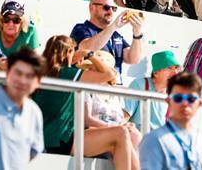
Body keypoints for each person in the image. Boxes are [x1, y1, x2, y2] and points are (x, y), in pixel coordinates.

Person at [33, 35, 136, 169]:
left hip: (48, 138)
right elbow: (110, 74)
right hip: (61, 140)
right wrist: (88, 54)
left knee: (120, 138)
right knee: (121, 133)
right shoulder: (67, 73)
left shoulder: (40, 74)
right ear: (69, 52)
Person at [139, 72, 202, 170]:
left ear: (199, 103)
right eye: (178, 98)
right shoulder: (154, 140)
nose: (185, 103)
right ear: (168, 101)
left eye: (191, 99)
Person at [0, 47, 45, 169]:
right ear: (7, 73)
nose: (22, 80)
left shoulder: (34, 112)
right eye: (18, 73)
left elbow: (33, 151)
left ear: (38, 82)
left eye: (29, 76)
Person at [70, 0, 144, 82]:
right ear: (92, 8)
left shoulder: (115, 34)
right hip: (90, 85)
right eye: (106, 7)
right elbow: (87, 48)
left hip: (112, 86)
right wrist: (114, 26)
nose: (111, 12)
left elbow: (133, 59)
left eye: (113, 8)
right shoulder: (81, 28)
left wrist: (137, 33)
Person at [125, 50, 181, 132]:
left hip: (159, 135)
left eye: (176, 68)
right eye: (169, 68)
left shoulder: (173, 94)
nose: (175, 73)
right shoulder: (139, 85)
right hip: (139, 135)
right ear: (155, 72)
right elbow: (125, 115)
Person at [0, 0, 40, 70]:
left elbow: (36, 66)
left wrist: (11, 67)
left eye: (16, 20)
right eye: (6, 19)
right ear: (1, 20)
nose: (10, 24)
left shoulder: (30, 31)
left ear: (22, 21)